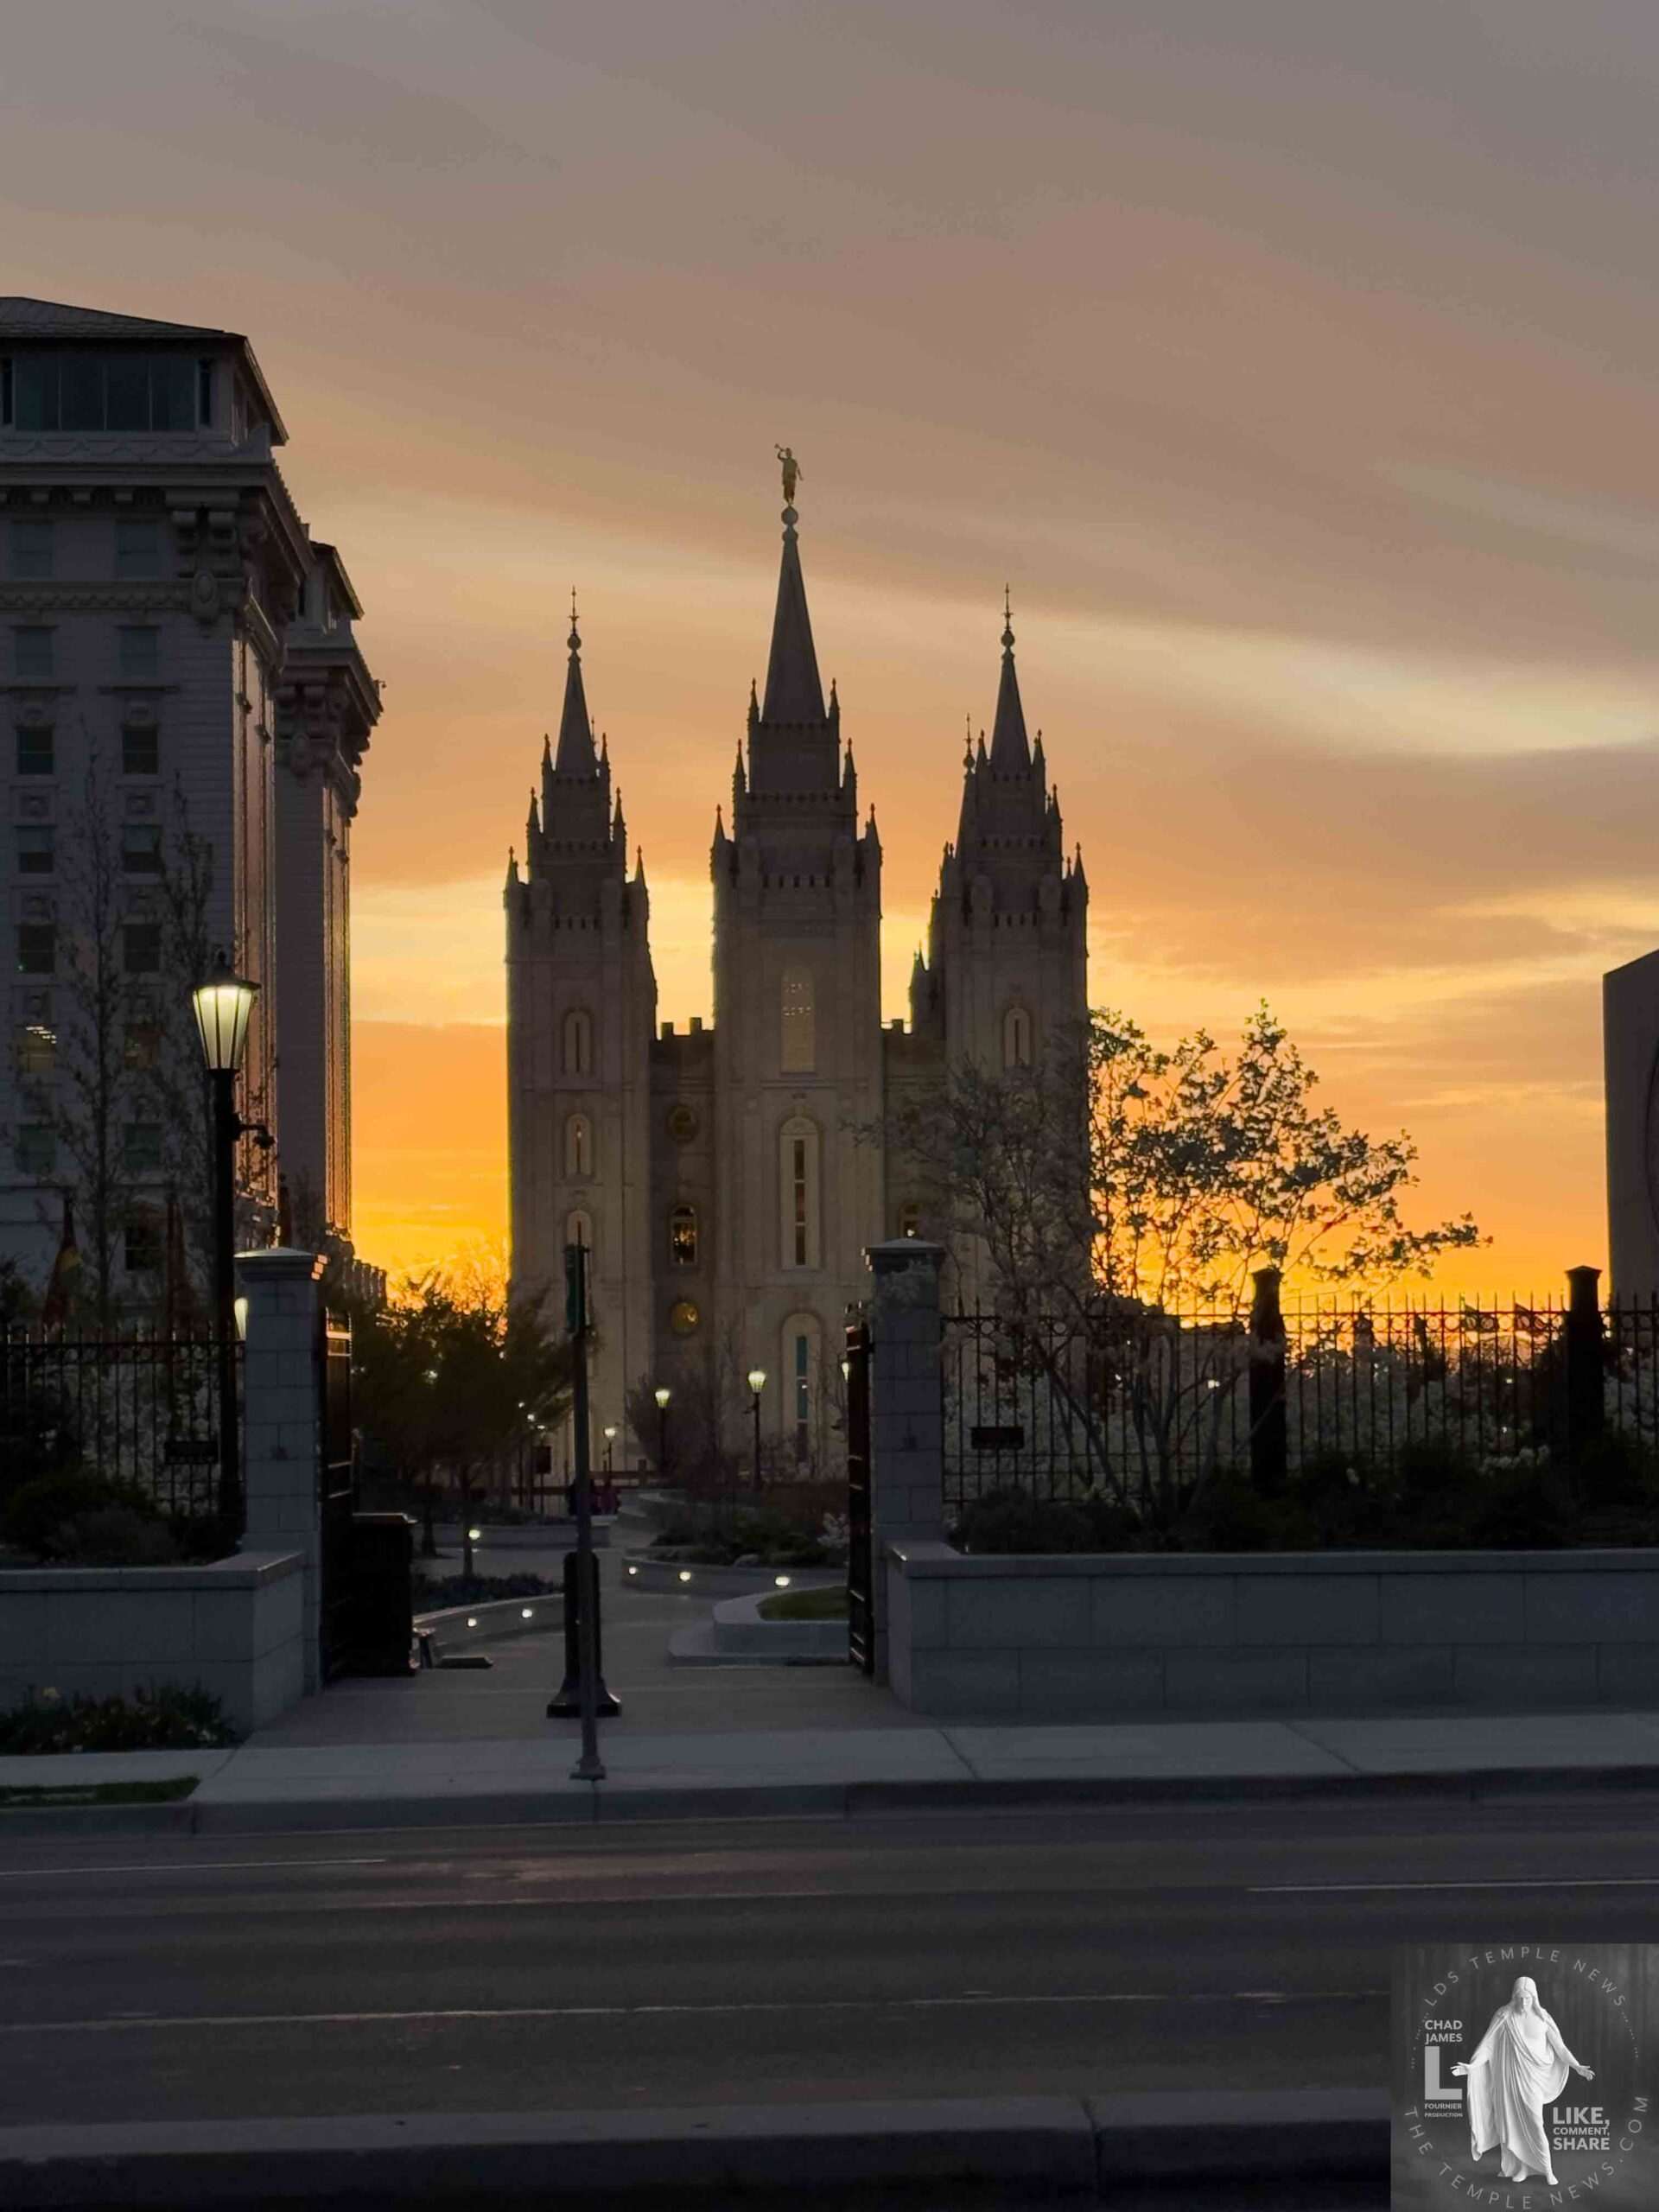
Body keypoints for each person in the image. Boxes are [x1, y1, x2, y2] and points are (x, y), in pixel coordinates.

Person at [1452, 1976, 1594, 2188]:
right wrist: (1471, 2067)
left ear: (1534, 1998)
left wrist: (1577, 2066)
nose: (1524, 2003)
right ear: (1514, 1997)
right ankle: (1523, 2168)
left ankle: (1547, 2169)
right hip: (1510, 2080)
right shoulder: (1504, 2017)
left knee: (1535, 2123)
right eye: (1520, 1998)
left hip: (1534, 2079)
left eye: (1528, 1998)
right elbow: (1488, 2047)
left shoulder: (1543, 2018)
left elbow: (1560, 2048)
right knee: (1513, 2124)